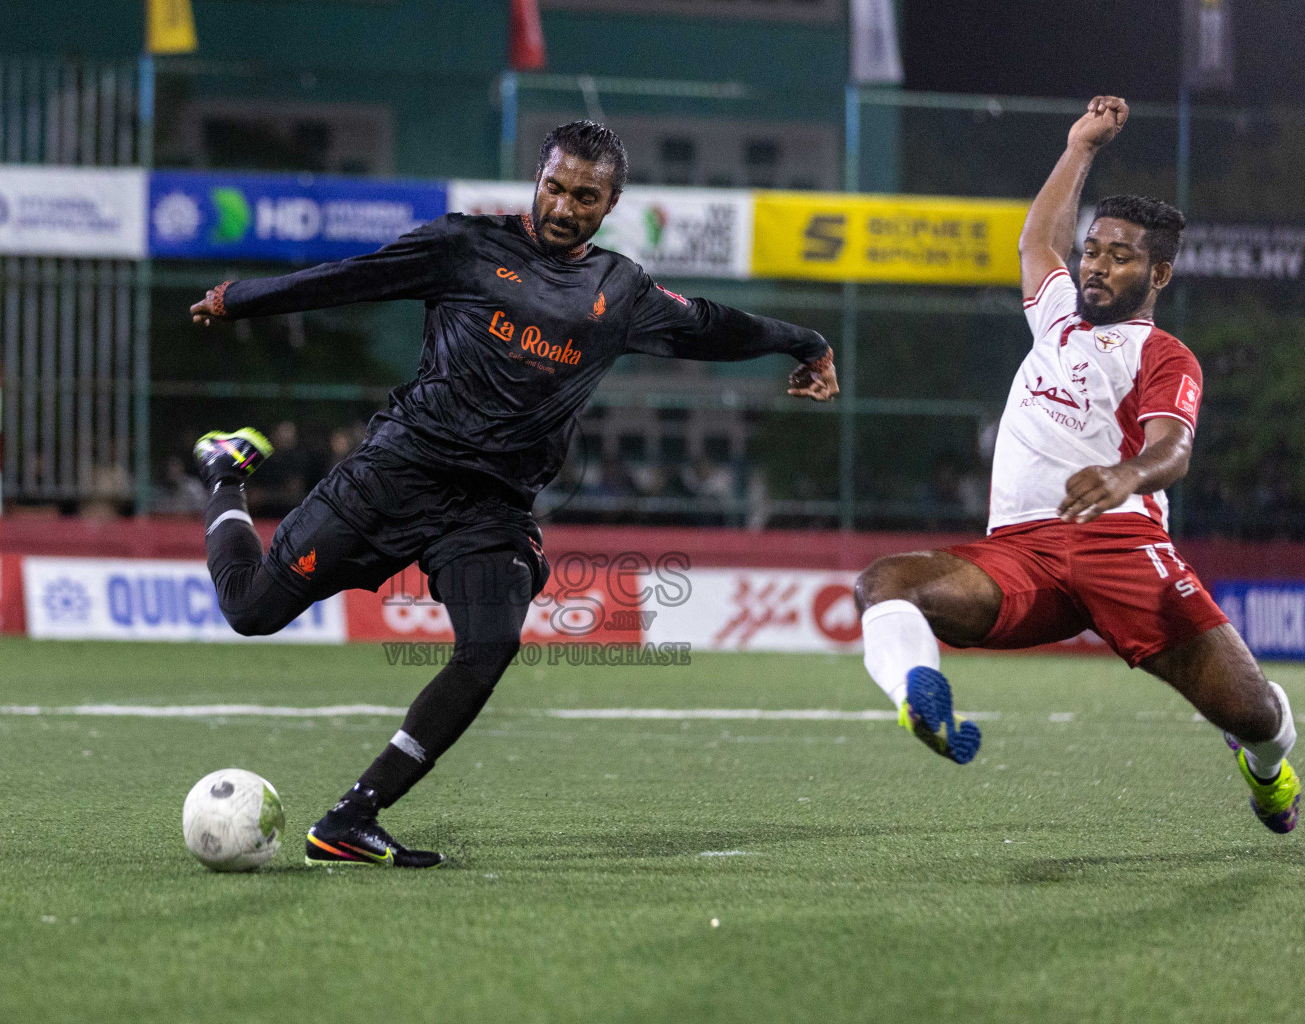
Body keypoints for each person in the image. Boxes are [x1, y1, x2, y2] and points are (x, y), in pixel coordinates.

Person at [188, 120, 839, 868]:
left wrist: (805, 341)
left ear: (612, 201)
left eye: (586, 197)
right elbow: (351, 277)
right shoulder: (463, 245)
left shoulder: (619, 291)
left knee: (490, 645)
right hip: (397, 474)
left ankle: (351, 818)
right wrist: (240, 299)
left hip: (489, 509)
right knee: (250, 611)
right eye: (556, 187)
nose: (565, 207)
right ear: (538, 178)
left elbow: (713, 326)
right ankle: (226, 472)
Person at [852, 96, 1298, 834]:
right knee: (885, 585)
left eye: (1120, 256)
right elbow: (1038, 242)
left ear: (1158, 274)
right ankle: (919, 694)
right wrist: (1077, 147)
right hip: (1021, 554)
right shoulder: (1055, 318)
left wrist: (1127, 476)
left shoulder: (1163, 354)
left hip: (1122, 550)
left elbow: (1174, 447)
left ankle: (1267, 768)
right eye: (1094, 249)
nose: (1095, 265)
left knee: (1253, 712)